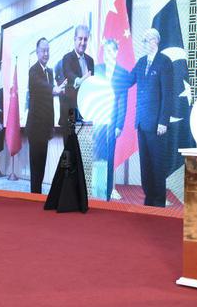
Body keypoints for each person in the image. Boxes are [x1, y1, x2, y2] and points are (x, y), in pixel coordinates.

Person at [126, 28, 172, 207]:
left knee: (157, 163)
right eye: (143, 40)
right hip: (141, 123)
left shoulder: (164, 62)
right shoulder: (141, 62)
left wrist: (163, 121)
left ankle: (159, 201)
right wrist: (112, 73)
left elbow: (168, 94)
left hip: (156, 124)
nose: (144, 43)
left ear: (155, 41)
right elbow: (128, 81)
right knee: (145, 164)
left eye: (146, 40)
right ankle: (149, 198)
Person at [25, 38, 66, 194]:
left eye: (48, 50)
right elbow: (41, 86)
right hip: (35, 127)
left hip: (46, 127)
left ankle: (38, 195)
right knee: (35, 166)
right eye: (43, 50)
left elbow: (48, 98)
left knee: (42, 165)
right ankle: (34, 196)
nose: (46, 53)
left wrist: (59, 91)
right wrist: (53, 89)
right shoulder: (33, 71)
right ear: (37, 52)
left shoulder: (50, 71)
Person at [94, 39, 129, 201]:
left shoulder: (122, 73)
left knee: (109, 157)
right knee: (97, 156)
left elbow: (123, 101)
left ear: (116, 52)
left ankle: (107, 193)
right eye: (105, 51)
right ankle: (97, 191)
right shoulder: (97, 70)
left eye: (111, 51)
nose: (108, 54)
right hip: (98, 121)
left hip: (112, 123)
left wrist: (119, 125)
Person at [59, 25, 95, 130]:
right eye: (80, 39)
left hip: (86, 111)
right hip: (71, 111)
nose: (83, 43)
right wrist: (80, 80)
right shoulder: (67, 58)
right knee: (70, 144)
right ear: (74, 39)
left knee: (84, 145)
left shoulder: (90, 60)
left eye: (85, 39)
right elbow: (69, 74)